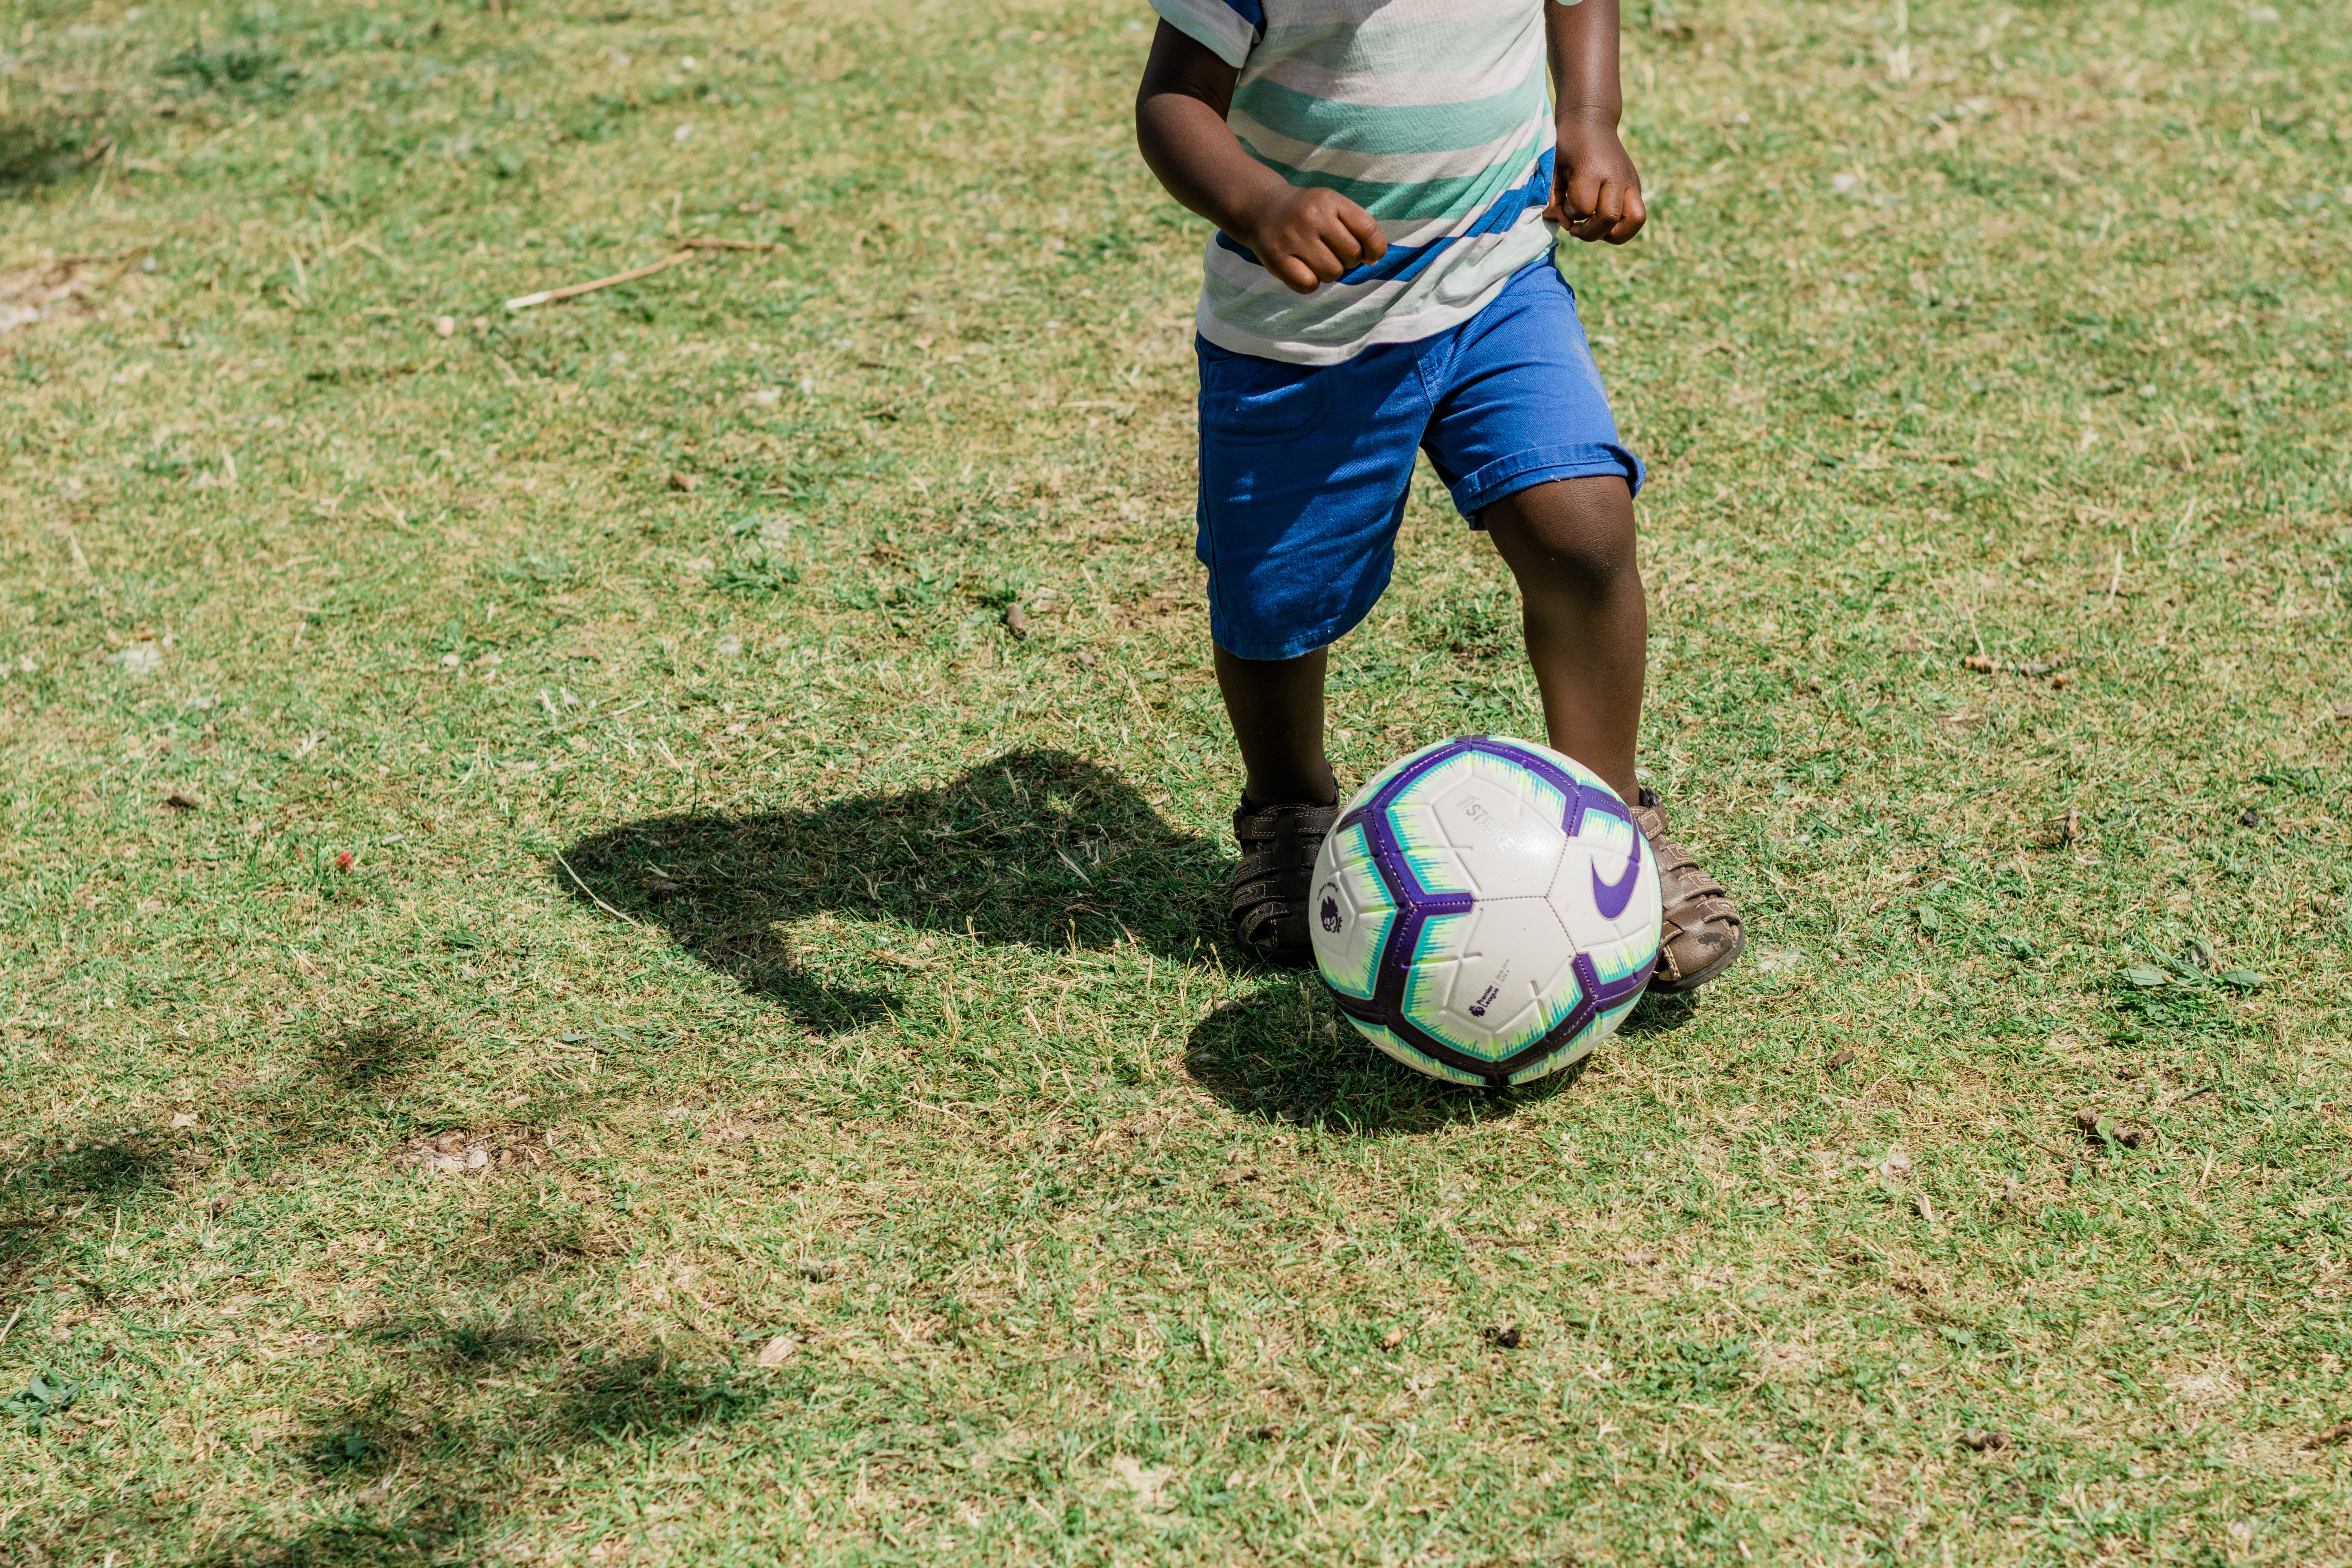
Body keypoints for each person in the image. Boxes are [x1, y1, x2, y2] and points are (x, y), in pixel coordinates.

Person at [1134, 0, 1742, 992]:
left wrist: (1590, 119)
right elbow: (1172, 102)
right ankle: (1289, 809)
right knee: (1276, 597)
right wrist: (1258, 203)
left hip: (1494, 280)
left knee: (1582, 527)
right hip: (1300, 334)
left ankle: (1608, 829)